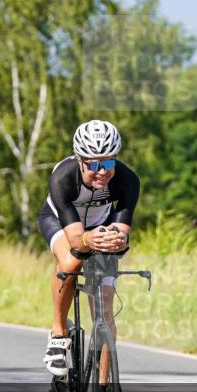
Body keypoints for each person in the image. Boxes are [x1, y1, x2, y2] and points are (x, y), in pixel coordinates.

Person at [38, 120, 139, 376]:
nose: (102, 172)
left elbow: (123, 230)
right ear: (80, 159)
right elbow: (75, 240)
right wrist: (88, 241)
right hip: (61, 223)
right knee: (72, 263)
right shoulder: (62, 176)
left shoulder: (127, 179)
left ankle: (103, 387)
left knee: (105, 309)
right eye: (93, 164)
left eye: (108, 163)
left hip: (101, 225)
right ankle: (58, 333)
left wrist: (118, 241)